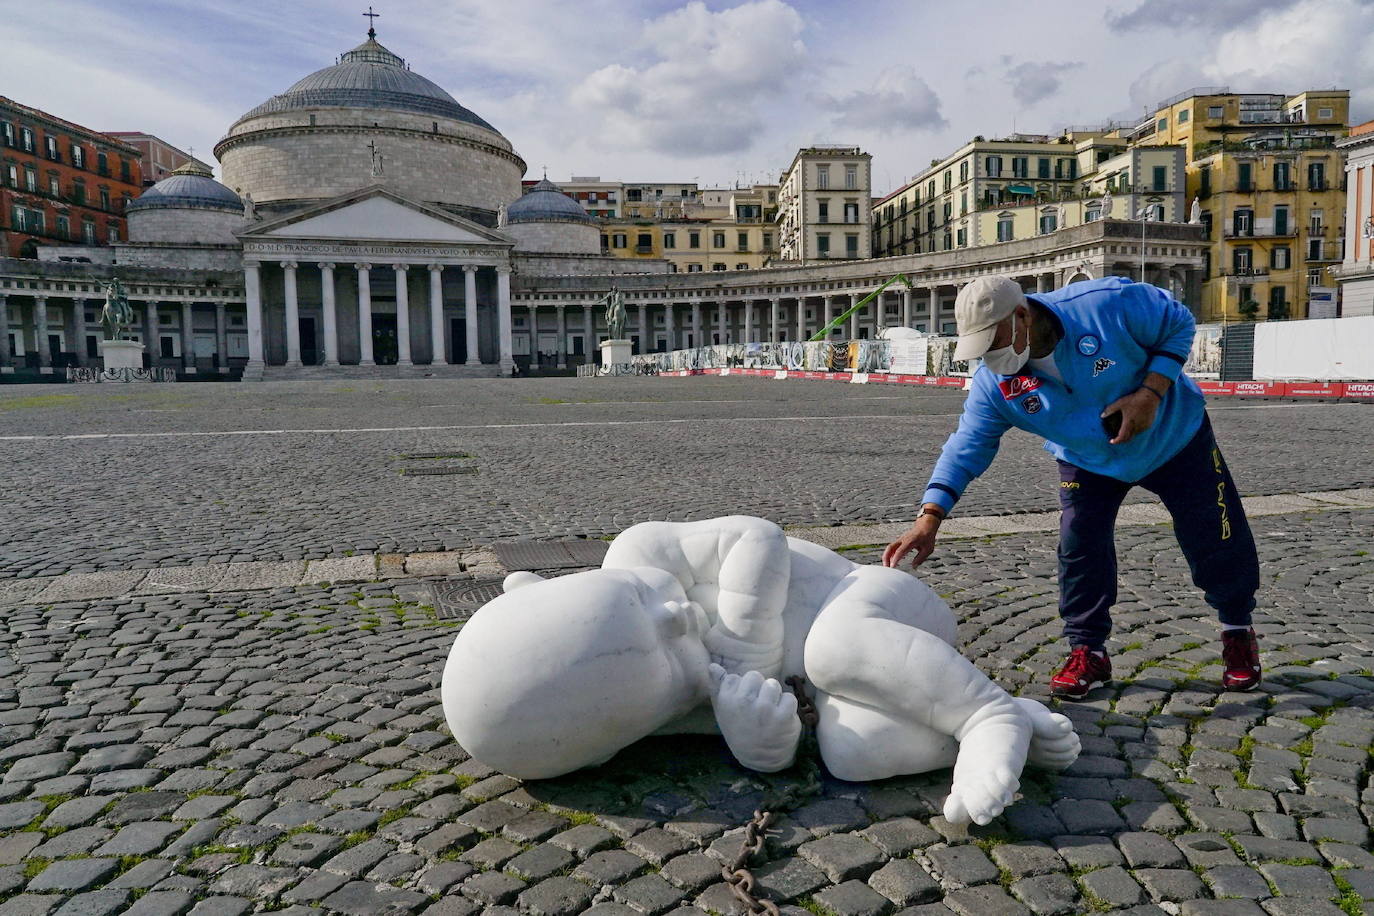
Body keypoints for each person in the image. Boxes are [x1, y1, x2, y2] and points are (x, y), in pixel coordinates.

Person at [443, 516, 1081, 825]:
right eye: (665, 654)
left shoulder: (640, 550)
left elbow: (756, 536)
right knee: (852, 752)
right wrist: (761, 744)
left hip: (872, 604)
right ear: (610, 745)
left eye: (638, 596)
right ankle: (1001, 722)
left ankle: (985, 713)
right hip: (845, 689)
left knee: (833, 647)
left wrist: (745, 650)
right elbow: (752, 731)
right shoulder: (656, 709)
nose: (676, 616)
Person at [883, 275, 1261, 699]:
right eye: (979, 346)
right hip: (1086, 459)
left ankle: (1236, 631)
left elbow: (1178, 322)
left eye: (994, 339)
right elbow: (968, 445)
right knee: (1079, 547)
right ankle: (1088, 651)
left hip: (1176, 437)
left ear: (1022, 314)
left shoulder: (1106, 303)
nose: (989, 354)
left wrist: (1150, 395)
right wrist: (930, 516)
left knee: (1214, 532)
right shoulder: (995, 384)